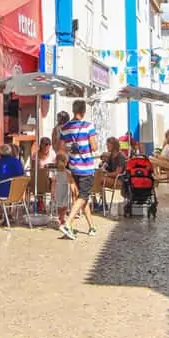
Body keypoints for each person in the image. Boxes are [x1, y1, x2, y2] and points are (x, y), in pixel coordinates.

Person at [57, 99, 98, 240]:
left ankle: (91, 227)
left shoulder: (65, 128)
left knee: (80, 198)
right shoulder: (88, 126)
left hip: (73, 167)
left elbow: (61, 149)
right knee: (83, 197)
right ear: (84, 111)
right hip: (86, 167)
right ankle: (68, 224)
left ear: (73, 110)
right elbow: (94, 146)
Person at [0, 143, 25, 225]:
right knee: (0, 190)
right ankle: (8, 215)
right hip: (17, 194)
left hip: (3, 194)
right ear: (10, 152)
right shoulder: (17, 162)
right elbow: (22, 176)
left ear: (0, 153)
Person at [51, 153, 76, 227]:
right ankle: (61, 218)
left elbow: (53, 183)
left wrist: (52, 192)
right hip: (64, 191)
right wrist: (73, 189)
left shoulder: (55, 172)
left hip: (58, 191)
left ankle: (60, 218)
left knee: (59, 206)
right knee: (64, 206)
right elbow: (71, 182)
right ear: (65, 162)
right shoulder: (67, 172)